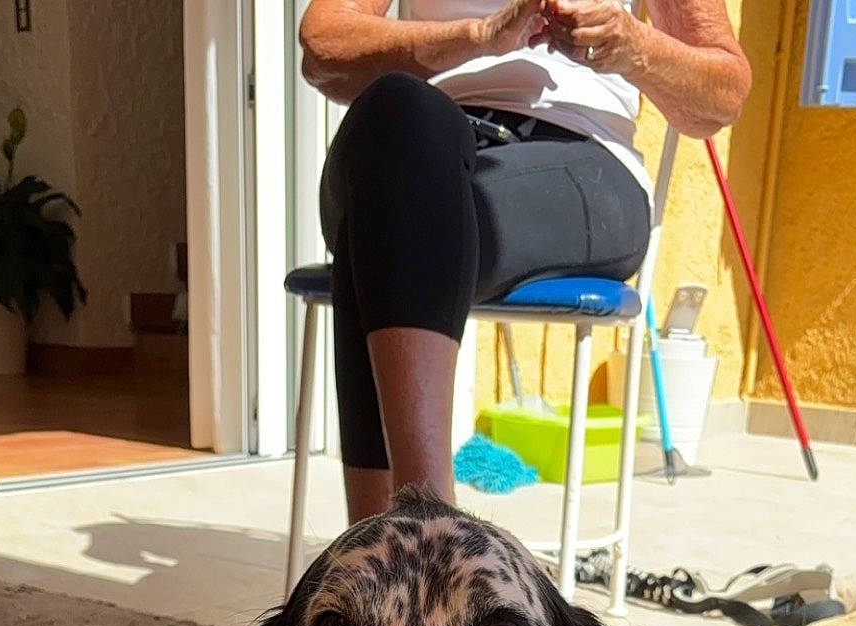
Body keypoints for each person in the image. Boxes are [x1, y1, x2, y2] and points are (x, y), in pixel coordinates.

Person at [298, 0, 751, 523]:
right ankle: (428, 527)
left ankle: (401, 536)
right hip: (413, 144)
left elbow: (722, 95)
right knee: (399, 121)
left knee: (385, 224)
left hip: (580, 158)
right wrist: (479, 36)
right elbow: (324, 47)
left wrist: (632, 45)